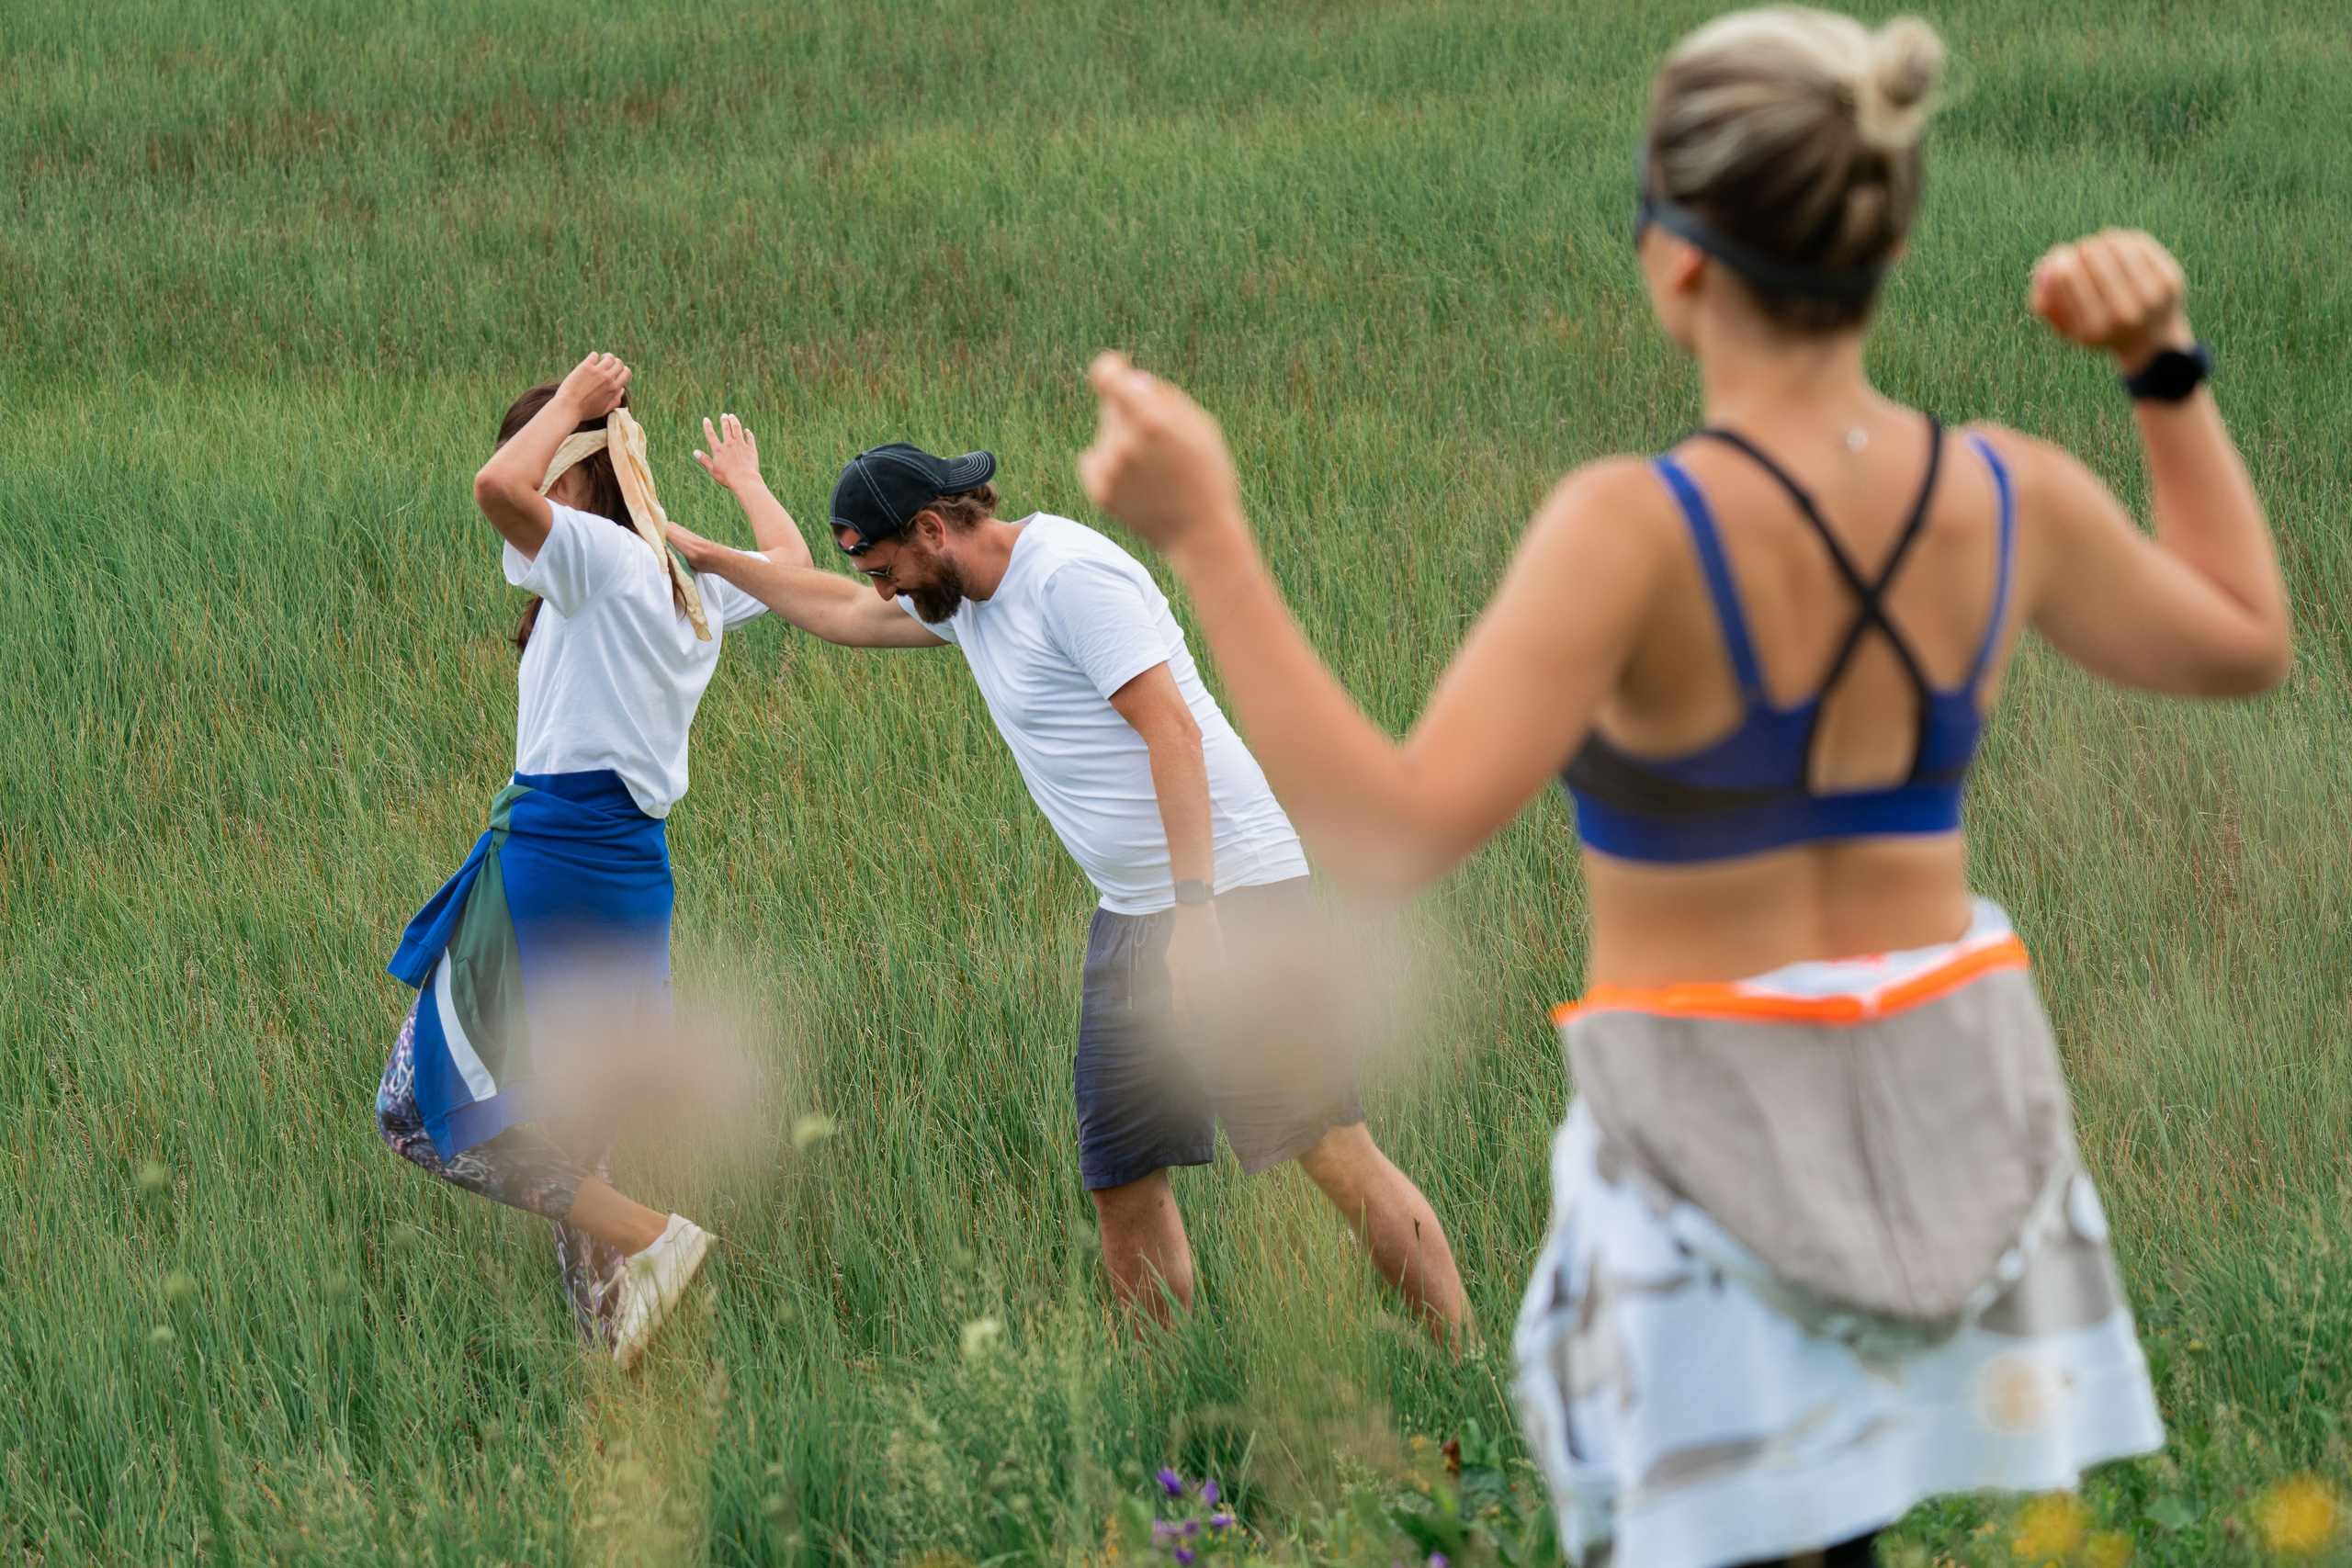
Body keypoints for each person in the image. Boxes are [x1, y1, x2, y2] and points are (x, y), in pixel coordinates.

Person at [1074, 6, 2291, 1562]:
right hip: (1946, 1103)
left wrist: (1210, 540)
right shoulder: (2005, 494)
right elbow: (2247, 640)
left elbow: (1390, 826)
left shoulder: (1636, 529)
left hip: (1716, 1131)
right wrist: (2161, 363)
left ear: (1677, 258)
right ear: (1886, 239)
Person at [660, 437, 1469, 1341]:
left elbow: (1173, 735)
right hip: (1132, 913)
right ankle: (1158, 1420)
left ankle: (1461, 1365)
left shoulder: (1069, 579)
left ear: (931, 528)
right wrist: (699, 551)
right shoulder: (959, 596)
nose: (884, 591)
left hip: (1230, 897)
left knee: (1324, 1147)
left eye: (887, 567)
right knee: (1121, 1168)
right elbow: (839, 613)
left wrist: (1197, 919)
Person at [375, 353, 807, 1368]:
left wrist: (575, 403)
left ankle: (657, 1238)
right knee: (573, 1134)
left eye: (539, 456)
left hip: (554, 870)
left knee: (417, 1117)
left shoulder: (601, 559)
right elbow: (789, 572)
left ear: (573, 473)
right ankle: (620, 1357)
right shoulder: (669, 573)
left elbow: (495, 490)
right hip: (626, 878)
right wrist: (745, 484)